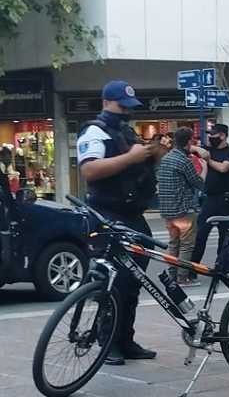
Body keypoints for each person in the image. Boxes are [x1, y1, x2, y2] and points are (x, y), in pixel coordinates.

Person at [77, 80, 161, 365]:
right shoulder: (94, 131)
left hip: (133, 215)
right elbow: (89, 170)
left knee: (134, 281)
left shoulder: (126, 131)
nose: (126, 112)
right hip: (108, 216)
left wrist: (150, 154)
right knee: (114, 282)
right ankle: (107, 341)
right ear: (106, 103)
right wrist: (131, 157)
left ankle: (125, 339)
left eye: (129, 107)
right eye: (121, 106)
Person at [156, 127, 207, 287]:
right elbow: (199, 183)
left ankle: (172, 275)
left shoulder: (166, 158)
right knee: (186, 244)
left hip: (167, 210)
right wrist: (204, 167)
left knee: (173, 243)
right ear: (189, 142)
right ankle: (182, 278)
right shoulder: (184, 161)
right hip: (184, 210)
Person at [192, 124, 229, 282]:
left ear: (223, 135)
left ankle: (221, 269)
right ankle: (192, 269)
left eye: (214, 134)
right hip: (209, 199)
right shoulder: (208, 150)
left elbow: (223, 168)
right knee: (200, 235)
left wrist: (207, 158)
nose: (210, 137)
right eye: (209, 134)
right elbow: (190, 148)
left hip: (225, 199)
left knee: (224, 237)